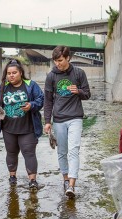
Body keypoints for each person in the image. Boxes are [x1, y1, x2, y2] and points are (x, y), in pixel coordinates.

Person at [43, 46, 91, 198]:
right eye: (55, 61)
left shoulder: (79, 73)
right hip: (58, 119)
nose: (58, 64)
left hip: (75, 117)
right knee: (62, 151)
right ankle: (65, 179)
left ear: (68, 58)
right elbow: (48, 100)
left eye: (60, 60)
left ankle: (71, 185)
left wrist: (78, 91)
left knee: (73, 150)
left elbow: (88, 94)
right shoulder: (51, 76)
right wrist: (47, 121)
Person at [0, 59, 44, 190]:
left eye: (14, 72)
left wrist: (31, 105)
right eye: (9, 73)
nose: (11, 75)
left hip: (28, 128)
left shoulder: (30, 85)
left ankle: (32, 180)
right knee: (11, 153)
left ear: (20, 73)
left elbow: (41, 99)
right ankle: (12, 177)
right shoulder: (3, 86)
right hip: (8, 128)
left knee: (29, 153)